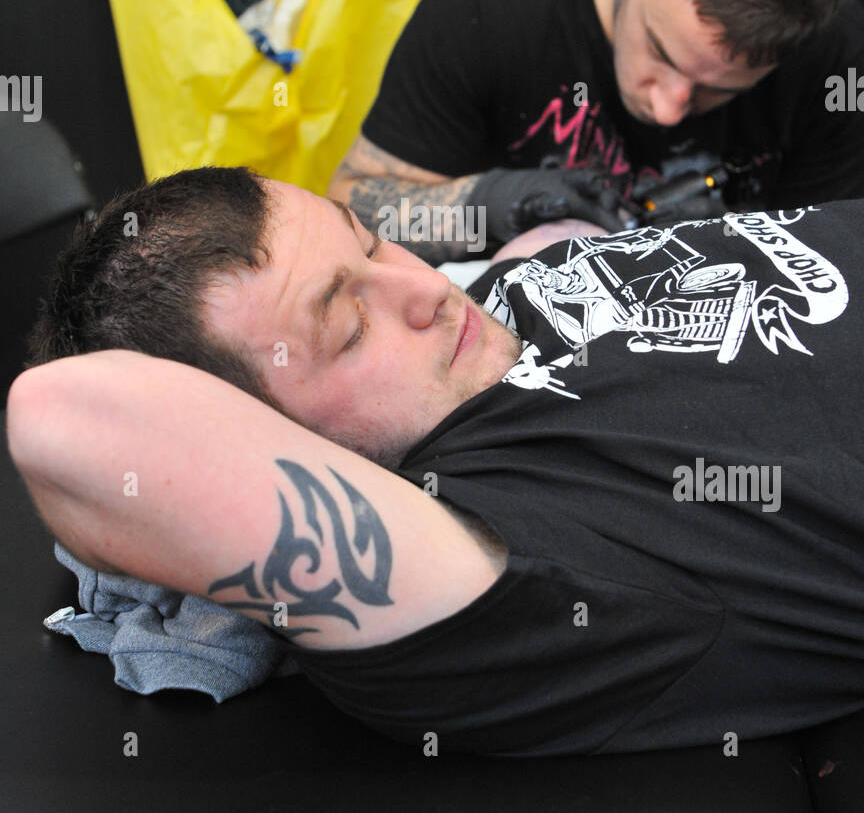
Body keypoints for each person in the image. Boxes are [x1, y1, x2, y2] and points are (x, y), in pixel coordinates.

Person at [8, 165, 864, 757]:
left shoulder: (462, 331)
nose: (425, 290)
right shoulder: (485, 549)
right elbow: (60, 418)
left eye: (372, 247)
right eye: (346, 329)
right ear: (270, 440)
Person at [329, 0, 864, 263]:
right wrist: (490, 204)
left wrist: (736, 243)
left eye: (715, 90)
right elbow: (350, 212)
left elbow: (832, 275)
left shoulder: (832, 61)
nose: (668, 109)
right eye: (661, 52)